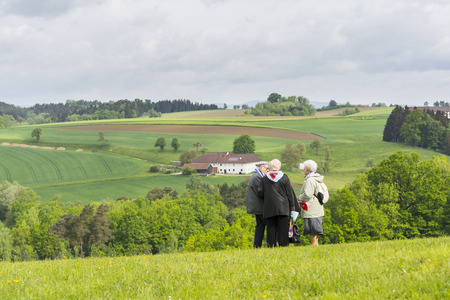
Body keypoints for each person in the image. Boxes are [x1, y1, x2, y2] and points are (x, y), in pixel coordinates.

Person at [258, 159, 296, 247]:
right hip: (283, 207)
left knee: (271, 228)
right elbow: (289, 193)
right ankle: (283, 245)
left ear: (270, 167)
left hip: (269, 207)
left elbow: (260, 193)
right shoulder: (284, 177)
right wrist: (292, 206)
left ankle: (271, 245)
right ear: (279, 166)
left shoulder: (264, 178)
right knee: (283, 228)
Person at [297, 160, 324, 246]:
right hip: (317, 207)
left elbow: (307, 195)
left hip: (311, 207)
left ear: (308, 170)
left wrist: (298, 198)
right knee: (315, 227)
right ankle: (315, 243)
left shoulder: (310, 180)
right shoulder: (316, 178)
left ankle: (314, 244)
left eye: (304, 168)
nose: (303, 170)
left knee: (312, 228)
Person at [246, 161, 269, 248]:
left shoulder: (255, 175)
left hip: (256, 206)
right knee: (268, 225)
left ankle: (257, 246)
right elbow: (263, 192)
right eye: (266, 168)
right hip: (260, 207)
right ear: (261, 168)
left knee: (260, 226)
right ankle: (268, 244)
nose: (267, 170)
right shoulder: (258, 177)